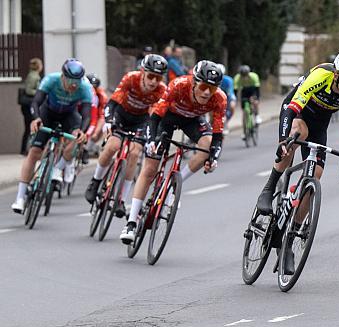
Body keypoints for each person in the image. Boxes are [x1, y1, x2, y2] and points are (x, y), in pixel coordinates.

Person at [255, 49, 339, 274]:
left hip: (320, 123)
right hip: (296, 112)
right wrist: (282, 141)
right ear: (337, 75)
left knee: (315, 176)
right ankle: (269, 189)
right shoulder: (321, 76)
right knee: (296, 138)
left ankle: (289, 240)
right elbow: (293, 108)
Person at [119, 60, 227, 243]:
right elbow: (154, 117)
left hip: (192, 120)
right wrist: (152, 140)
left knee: (206, 145)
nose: (207, 92)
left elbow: (217, 132)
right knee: (151, 167)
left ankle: (174, 185)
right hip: (166, 119)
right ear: (194, 82)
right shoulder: (178, 85)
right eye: (203, 86)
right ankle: (131, 222)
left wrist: (213, 157)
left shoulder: (219, 98)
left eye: (212, 88)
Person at [84, 55, 168, 217]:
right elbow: (112, 103)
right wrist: (108, 121)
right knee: (112, 146)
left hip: (141, 121)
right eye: (150, 76)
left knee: (134, 154)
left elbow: (158, 116)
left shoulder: (161, 90)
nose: (153, 82)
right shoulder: (131, 78)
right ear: (142, 72)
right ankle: (95, 182)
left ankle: (120, 198)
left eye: (158, 78)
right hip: (121, 115)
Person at [11, 59, 93, 213]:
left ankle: (58, 168)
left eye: (77, 81)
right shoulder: (51, 80)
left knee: (76, 140)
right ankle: (20, 198)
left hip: (69, 115)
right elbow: (35, 102)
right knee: (35, 151)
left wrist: (82, 131)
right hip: (47, 113)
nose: (74, 85)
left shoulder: (85, 87)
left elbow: (86, 115)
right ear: (63, 76)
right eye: (70, 80)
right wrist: (36, 119)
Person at [20, 58, 43, 155]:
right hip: (29, 104)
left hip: (26, 105)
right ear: (38, 66)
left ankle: (25, 148)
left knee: (28, 127)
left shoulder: (32, 75)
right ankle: (28, 149)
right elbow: (29, 90)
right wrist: (40, 93)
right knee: (31, 126)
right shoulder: (34, 77)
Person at [233, 65, 262, 138]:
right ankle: (244, 132)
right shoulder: (237, 78)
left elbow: (257, 90)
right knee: (244, 112)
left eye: (246, 75)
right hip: (244, 91)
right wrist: (235, 100)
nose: (245, 77)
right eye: (243, 76)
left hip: (253, 90)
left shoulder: (254, 77)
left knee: (255, 102)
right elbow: (235, 91)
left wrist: (257, 99)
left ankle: (257, 116)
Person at [84, 73, 109, 157]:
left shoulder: (101, 96)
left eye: (94, 88)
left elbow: (102, 117)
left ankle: (87, 149)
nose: (91, 91)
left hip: (95, 116)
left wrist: (96, 132)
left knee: (103, 128)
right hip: (84, 113)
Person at [217, 64, 236, 133]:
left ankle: (227, 122)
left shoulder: (228, 80)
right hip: (218, 97)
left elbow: (230, 92)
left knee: (232, 106)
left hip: (228, 96)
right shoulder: (213, 79)